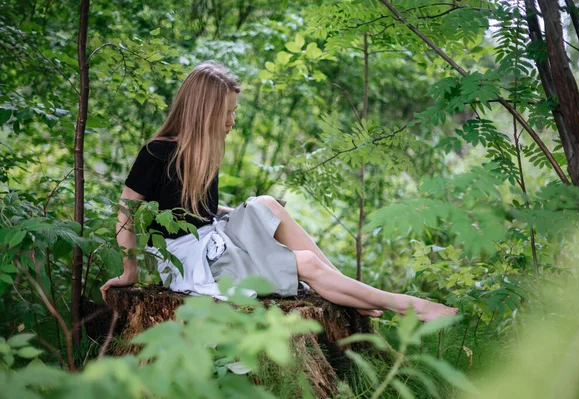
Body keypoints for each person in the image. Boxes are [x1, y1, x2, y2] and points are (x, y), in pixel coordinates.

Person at [100, 61, 458, 322]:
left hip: (213, 238)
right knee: (305, 264)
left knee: (266, 203)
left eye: (234, 112)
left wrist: (240, 212)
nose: (232, 121)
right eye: (226, 113)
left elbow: (199, 211)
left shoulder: (204, 150)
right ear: (202, 112)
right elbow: (126, 211)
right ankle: (408, 305)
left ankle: (345, 288)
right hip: (194, 263)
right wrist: (129, 272)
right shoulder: (158, 151)